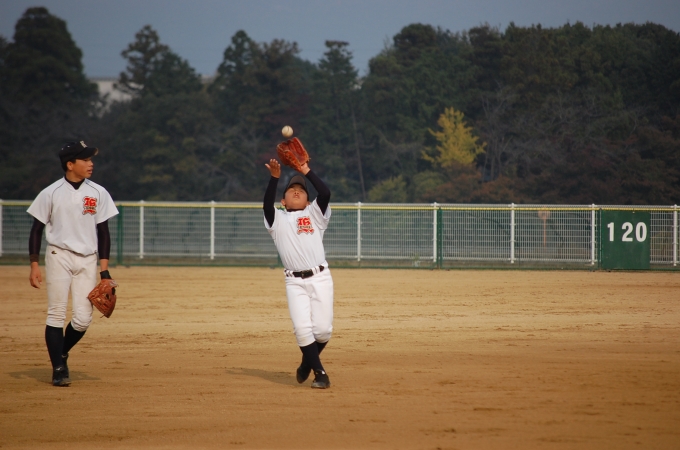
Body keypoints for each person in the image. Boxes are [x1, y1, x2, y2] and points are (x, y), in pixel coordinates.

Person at [28, 141, 119, 387]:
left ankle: (61, 353)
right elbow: (36, 230)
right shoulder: (51, 193)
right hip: (59, 255)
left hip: (88, 259)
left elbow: (104, 232)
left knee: (83, 319)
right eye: (85, 160)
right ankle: (58, 369)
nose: (91, 164)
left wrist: (104, 270)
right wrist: (34, 264)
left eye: (91, 159)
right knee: (56, 313)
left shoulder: (98, 192)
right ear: (70, 164)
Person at [263, 157, 334, 389]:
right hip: (294, 282)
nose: (297, 191)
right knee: (302, 329)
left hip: (320, 277)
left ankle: (306, 363)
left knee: (323, 331)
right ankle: (320, 373)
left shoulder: (315, 214)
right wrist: (274, 179)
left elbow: (325, 193)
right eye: (292, 189)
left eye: (301, 190)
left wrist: (306, 170)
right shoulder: (278, 220)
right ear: (283, 201)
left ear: (308, 200)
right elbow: (267, 206)